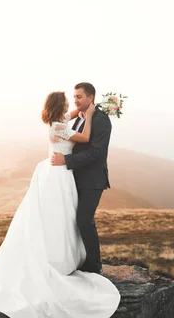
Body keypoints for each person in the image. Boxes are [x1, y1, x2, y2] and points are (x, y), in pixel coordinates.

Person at [0, 90, 120, 318]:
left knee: (65, 216)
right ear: (60, 106)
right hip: (58, 175)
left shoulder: (60, 120)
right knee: (57, 216)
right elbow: (86, 138)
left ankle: (66, 256)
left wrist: (86, 108)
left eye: (76, 98)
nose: (72, 103)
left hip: (61, 174)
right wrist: (89, 115)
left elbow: (71, 114)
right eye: (69, 101)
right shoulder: (58, 127)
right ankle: (56, 258)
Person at [51, 82, 111, 275]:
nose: (75, 101)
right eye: (74, 97)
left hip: (92, 180)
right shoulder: (79, 117)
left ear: (90, 98)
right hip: (74, 178)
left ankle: (94, 266)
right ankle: (78, 259)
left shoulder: (101, 120)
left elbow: (96, 153)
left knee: (85, 221)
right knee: (73, 221)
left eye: (79, 97)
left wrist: (65, 160)